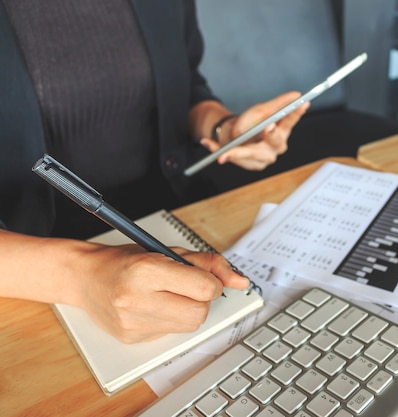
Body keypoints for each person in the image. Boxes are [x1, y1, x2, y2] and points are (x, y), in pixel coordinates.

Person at [0, 0, 308, 343]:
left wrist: (225, 131)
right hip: (29, 266)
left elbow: (188, 86)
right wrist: (84, 274)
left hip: (175, 214)